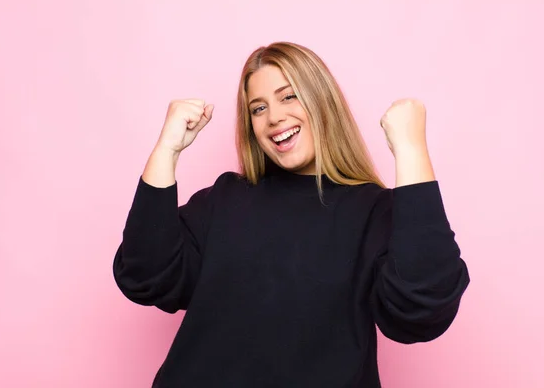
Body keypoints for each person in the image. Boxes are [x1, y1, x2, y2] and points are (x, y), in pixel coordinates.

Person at [113, 41, 470, 388]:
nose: (274, 117)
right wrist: (167, 150)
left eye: (288, 96)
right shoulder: (223, 199)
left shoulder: (376, 212)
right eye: (258, 108)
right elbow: (145, 275)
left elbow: (423, 309)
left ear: (322, 102)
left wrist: (410, 150)